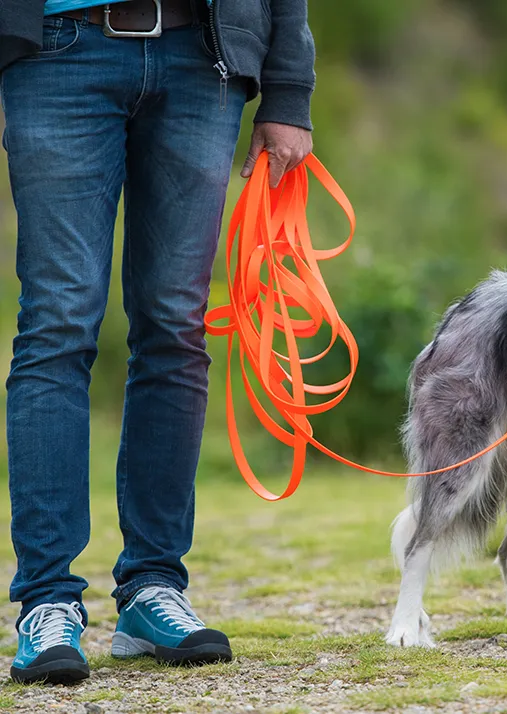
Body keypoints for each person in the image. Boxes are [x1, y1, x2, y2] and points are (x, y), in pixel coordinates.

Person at [0, 0, 315, 684]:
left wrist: (288, 89)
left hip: (202, 57)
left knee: (176, 327)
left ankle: (152, 590)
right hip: (54, 50)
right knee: (56, 323)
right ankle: (46, 601)